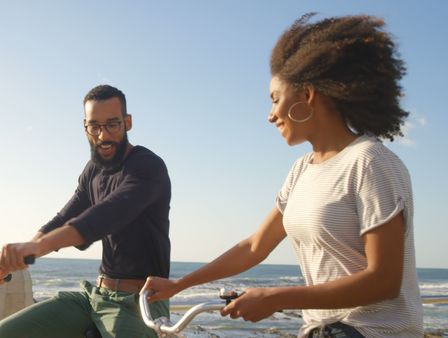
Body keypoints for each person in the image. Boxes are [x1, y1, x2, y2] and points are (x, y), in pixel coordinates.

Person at [142, 13, 423, 338]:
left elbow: (384, 280)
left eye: (275, 99)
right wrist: (179, 284)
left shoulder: (369, 162)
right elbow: (255, 246)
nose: (270, 114)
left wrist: (276, 297)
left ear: (307, 95)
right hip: (322, 330)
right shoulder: (302, 170)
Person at [0, 84, 172, 338]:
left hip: (138, 303)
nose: (103, 136)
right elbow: (64, 218)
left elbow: (102, 217)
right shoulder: (92, 171)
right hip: (95, 295)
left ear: (127, 123)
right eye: (94, 126)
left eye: (112, 125)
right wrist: (18, 257)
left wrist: (38, 248)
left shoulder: (147, 167)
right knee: (2, 333)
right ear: (85, 127)